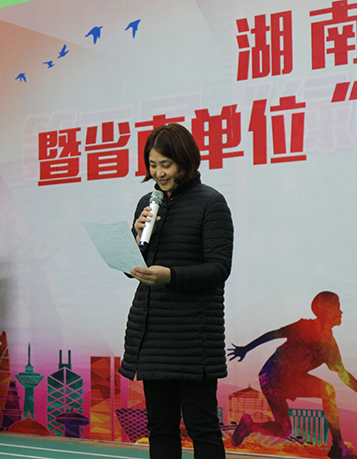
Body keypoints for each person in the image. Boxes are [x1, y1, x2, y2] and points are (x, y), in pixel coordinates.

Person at [119, 123, 234, 459]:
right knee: (160, 428)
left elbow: (218, 269)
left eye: (165, 165)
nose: (158, 173)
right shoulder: (148, 203)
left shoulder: (211, 203)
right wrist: (135, 236)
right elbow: (135, 266)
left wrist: (169, 276)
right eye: (152, 165)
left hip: (193, 336)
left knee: (202, 428)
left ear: (185, 161)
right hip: (152, 332)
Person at [228, 291, 357, 459]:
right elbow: (273, 334)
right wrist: (246, 348)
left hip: (292, 381)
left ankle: (249, 426)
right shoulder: (304, 327)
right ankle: (338, 446)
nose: (341, 312)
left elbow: (343, 375)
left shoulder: (329, 345)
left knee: (285, 429)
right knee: (290, 424)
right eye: (337, 308)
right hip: (272, 377)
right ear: (326, 311)